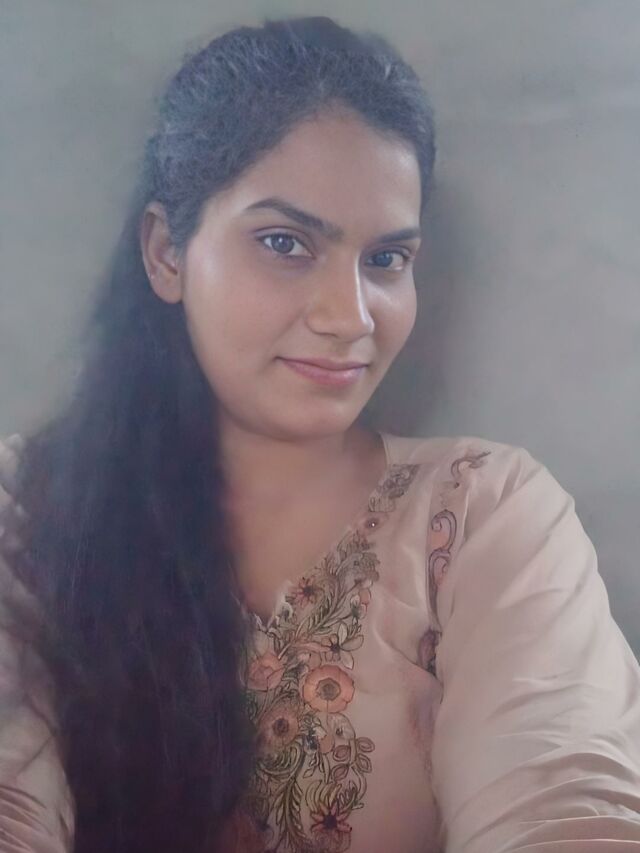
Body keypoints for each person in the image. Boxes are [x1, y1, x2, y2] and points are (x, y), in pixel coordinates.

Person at [0, 14, 639, 853]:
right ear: (166, 254)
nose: (351, 316)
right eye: (285, 243)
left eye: (386, 260)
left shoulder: (482, 515)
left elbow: (564, 799)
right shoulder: (31, 510)